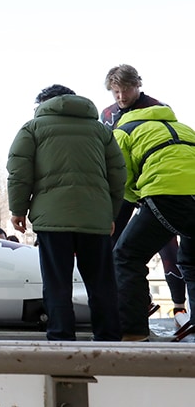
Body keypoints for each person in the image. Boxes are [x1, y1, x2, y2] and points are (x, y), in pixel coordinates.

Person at [7, 84, 126, 341]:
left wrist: (18, 209)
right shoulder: (100, 131)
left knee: (57, 282)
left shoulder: (33, 128)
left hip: (52, 220)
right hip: (95, 219)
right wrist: (111, 214)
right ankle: (109, 339)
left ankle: (61, 337)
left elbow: (19, 172)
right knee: (102, 283)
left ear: (44, 105)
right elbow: (118, 174)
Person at [101, 64, 187, 320]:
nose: (121, 96)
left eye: (125, 89)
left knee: (167, 245)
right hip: (127, 184)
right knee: (115, 242)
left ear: (137, 85)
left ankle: (178, 303)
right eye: (115, 91)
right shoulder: (107, 114)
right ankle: (130, 299)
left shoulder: (157, 107)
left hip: (155, 183)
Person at [111, 102, 195, 341]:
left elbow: (120, 176)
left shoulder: (124, 131)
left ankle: (133, 332)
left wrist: (137, 198)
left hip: (167, 193)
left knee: (127, 256)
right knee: (191, 263)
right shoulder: (184, 128)